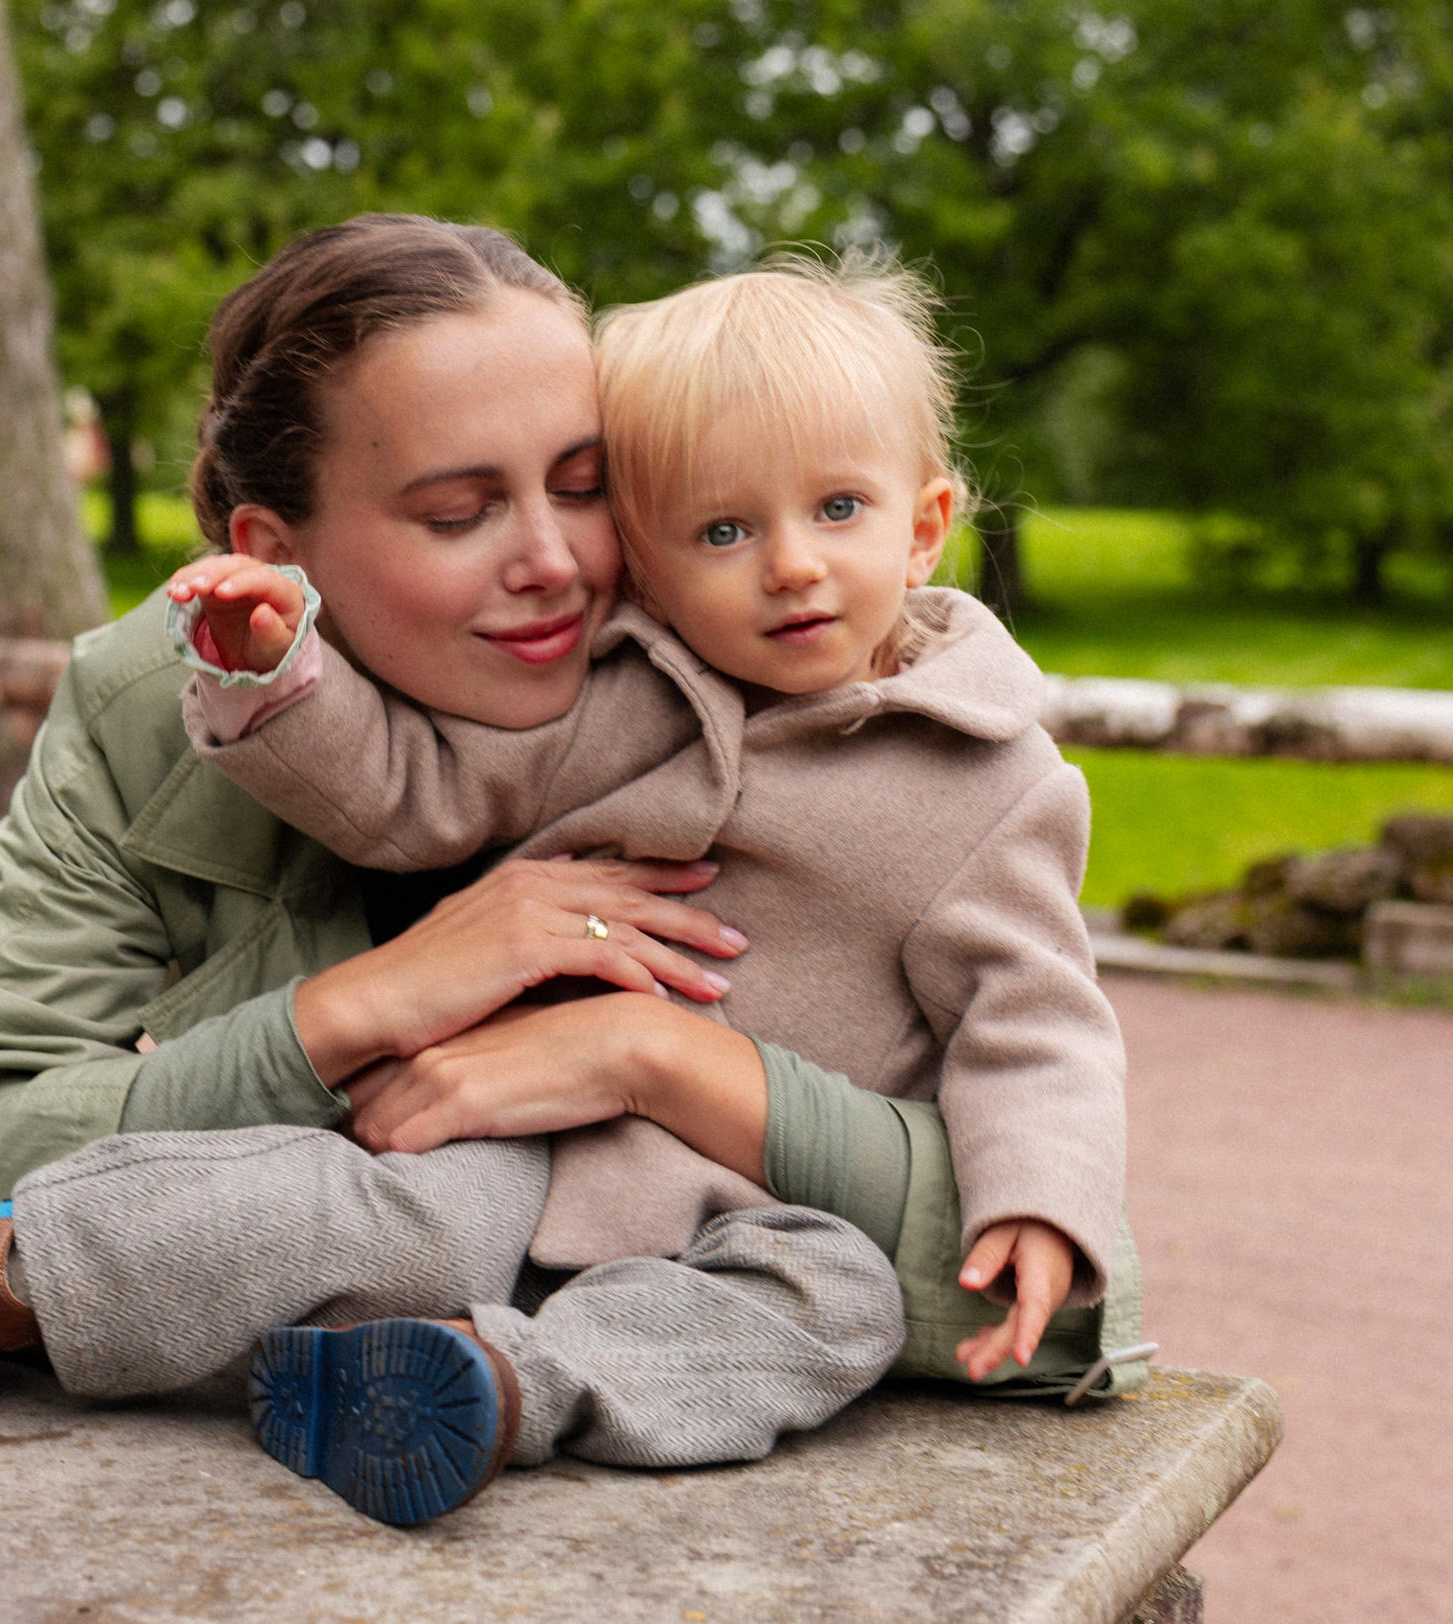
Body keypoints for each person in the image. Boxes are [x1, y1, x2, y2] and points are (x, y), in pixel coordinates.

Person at [0, 219, 1019, 1530]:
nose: (554, 562)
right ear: (275, 551)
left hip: (665, 1251)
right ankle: (77, 1292)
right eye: (457, 509)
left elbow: (1070, 1277)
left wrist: (650, 1057)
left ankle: (483, 1379)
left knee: (791, 1284)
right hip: (407, 1216)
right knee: (399, 1222)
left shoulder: (766, 673)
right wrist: (355, 1009)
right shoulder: (156, 713)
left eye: (585, 483)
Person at [168, 252, 1144, 1388]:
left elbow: (1033, 1026)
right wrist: (274, 671)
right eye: (723, 533)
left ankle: (492, 1394)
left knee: (834, 1305)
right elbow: (405, 797)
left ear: (923, 524)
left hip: (752, 1202)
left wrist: (1041, 1199)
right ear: (646, 560)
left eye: (838, 509)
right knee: (318, 1209)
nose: (791, 566)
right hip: (514, 1140)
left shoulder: (989, 778)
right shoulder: (626, 699)